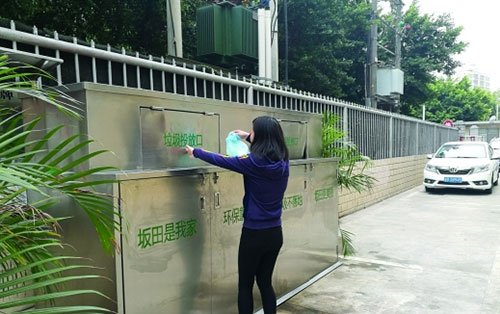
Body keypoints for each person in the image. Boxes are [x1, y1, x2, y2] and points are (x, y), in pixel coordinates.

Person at [185, 116, 289, 314]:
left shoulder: (252, 163)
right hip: (275, 233)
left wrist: (195, 152)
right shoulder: (283, 160)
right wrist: (248, 136)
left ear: (260, 136)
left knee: (245, 286)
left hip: (254, 235)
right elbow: (268, 143)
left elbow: (222, 159)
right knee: (265, 283)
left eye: (253, 131)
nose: (251, 134)